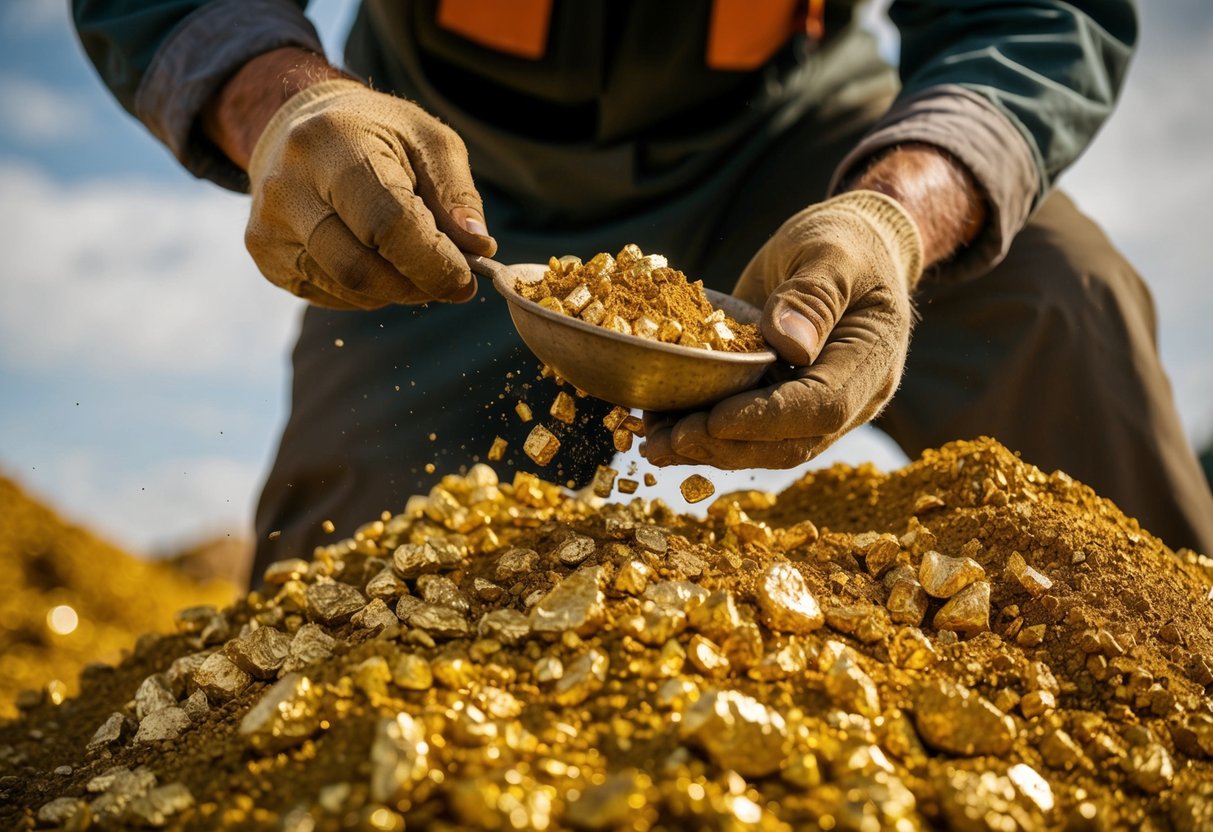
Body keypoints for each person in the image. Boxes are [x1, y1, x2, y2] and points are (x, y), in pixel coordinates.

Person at [73, 0, 1213, 581]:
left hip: (795, 135)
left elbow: (1024, 16)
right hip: (447, 172)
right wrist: (279, 104)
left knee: (1062, 302)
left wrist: (895, 215)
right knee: (336, 594)